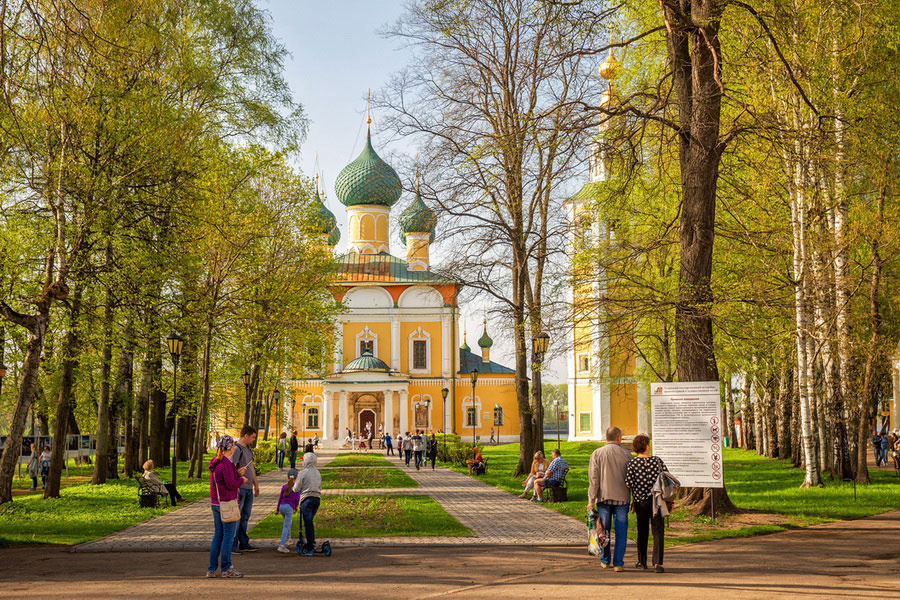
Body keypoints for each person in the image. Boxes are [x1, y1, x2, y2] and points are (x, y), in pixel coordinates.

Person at [587, 426, 633, 572]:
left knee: (603, 531)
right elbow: (630, 479)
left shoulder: (597, 454)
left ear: (607, 437)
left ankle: (605, 560)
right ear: (618, 437)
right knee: (621, 532)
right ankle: (618, 563)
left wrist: (591, 499)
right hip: (622, 498)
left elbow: (594, 479)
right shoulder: (627, 454)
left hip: (603, 498)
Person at [625, 433, 667, 573]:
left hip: (640, 502)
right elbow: (666, 478)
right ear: (647, 447)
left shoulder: (632, 463)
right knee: (658, 531)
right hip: (657, 501)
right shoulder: (658, 461)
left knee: (642, 531)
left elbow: (628, 483)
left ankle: (642, 561)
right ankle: (658, 563)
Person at [208, 435, 248, 578]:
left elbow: (223, 479)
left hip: (215, 503)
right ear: (230, 448)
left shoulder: (216, 463)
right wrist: (241, 479)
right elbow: (231, 484)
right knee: (228, 536)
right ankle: (226, 568)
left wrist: (236, 473)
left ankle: (212, 568)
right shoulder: (226, 464)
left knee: (218, 535)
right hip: (227, 503)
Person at [231, 426, 260, 554]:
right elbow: (231, 468)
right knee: (237, 517)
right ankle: (233, 544)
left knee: (245, 516)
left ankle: (244, 542)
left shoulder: (248, 449)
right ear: (245, 436)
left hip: (248, 488)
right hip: (240, 488)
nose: (253, 440)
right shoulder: (237, 449)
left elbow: (251, 467)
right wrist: (238, 474)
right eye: (252, 437)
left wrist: (256, 484)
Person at [292, 451, 322, 556]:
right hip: (317, 499)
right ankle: (311, 541)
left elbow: (296, 488)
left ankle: (310, 547)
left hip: (307, 499)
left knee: (308, 523)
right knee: (309, 522)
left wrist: (293, 487)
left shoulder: (303, 473)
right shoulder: (317, 472)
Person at [276, 468, 300, 553]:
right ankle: (282, 545)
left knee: (287, 523)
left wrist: (277, 509)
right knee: (286, 526)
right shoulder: (296, 488)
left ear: (287, 477)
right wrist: (296, 507)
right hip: (289, 507)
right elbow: (297, 499)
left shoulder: (283, 487)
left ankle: (289, 538)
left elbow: (280, 498)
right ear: (296, 478)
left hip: (282, 507)